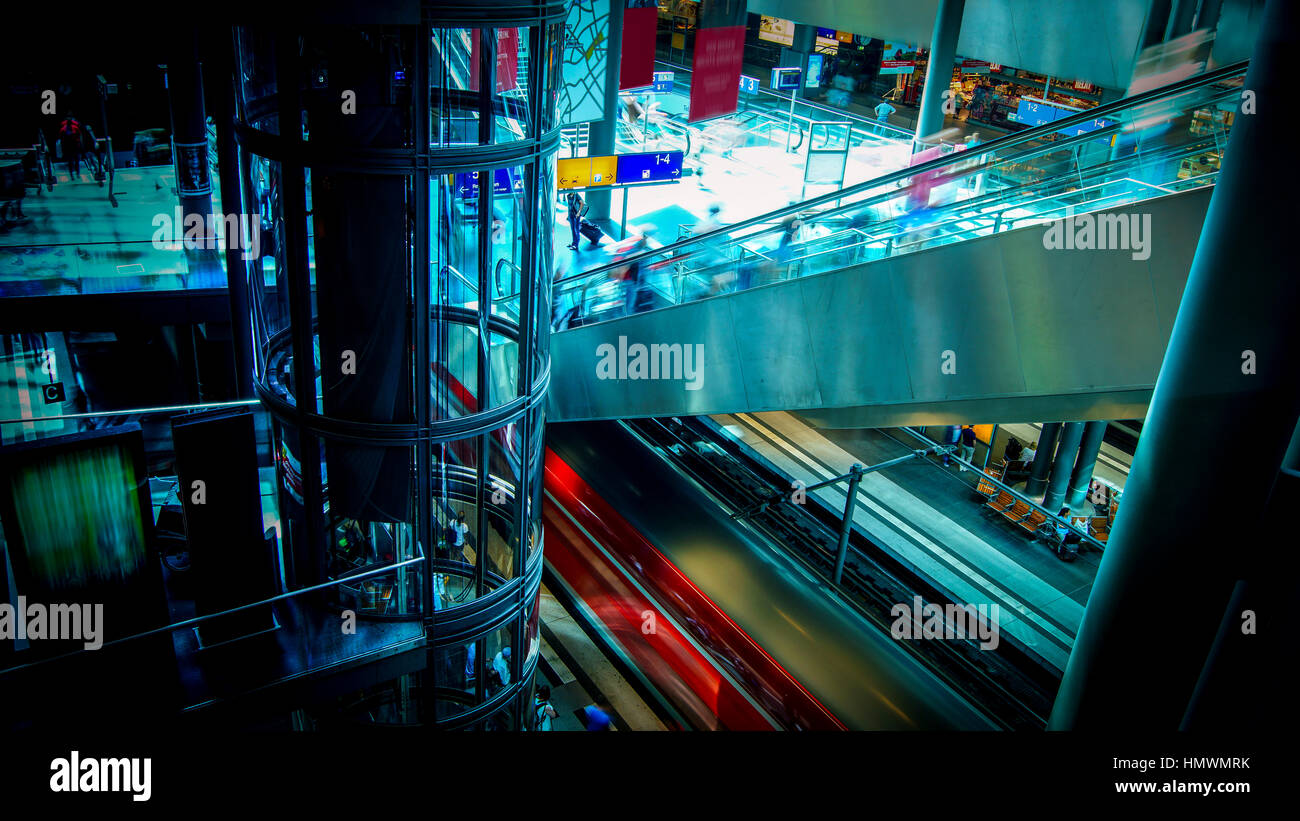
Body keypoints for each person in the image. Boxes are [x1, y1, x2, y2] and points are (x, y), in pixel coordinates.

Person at [58, 113, 84, 181]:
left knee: (77, 161)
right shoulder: (63, 129)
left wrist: (80, 144)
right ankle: (72, 175)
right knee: (70, 162)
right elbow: (62, 140)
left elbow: (79, 136)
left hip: (75, 146)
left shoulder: (75, 127)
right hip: (68, 147)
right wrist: (63, 148)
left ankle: (78, 173)